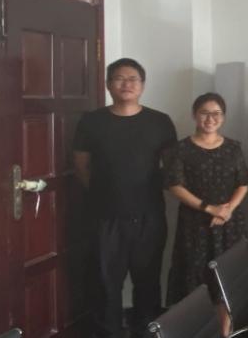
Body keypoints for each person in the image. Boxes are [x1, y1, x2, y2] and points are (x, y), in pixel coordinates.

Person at [74, 58, 177, 338]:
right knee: (106, 283)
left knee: (148, 281)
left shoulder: (160, 122)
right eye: (119, 78)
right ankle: (109, 333)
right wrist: (107, 194)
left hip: (149, 216)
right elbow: (82, 166)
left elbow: (171, 168)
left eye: (133, 79)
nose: (127, 84)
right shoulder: (92, 121)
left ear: (142, 85)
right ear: (108, 84)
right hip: (106, 217)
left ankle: (147, 331)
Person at [162, 93, 248, 336]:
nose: (210, 118)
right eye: (204, 113)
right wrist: (210, 208)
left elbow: (243, 182)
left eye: (216, 114)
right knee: (195, 277)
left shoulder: (233, 147)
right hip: (195, 225)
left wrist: (227, 209)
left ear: (223, 117)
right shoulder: (180, 149)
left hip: (230, 224)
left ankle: (225, 331)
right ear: (195, 115)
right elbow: (174, 185)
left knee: (227, 278)